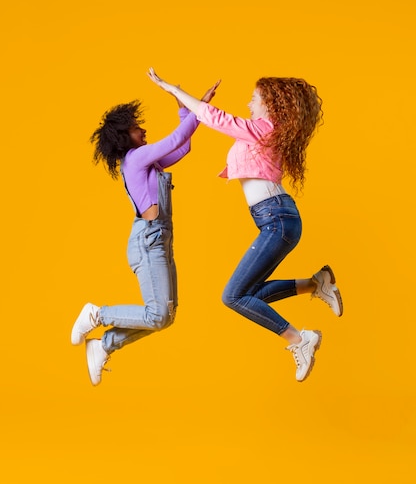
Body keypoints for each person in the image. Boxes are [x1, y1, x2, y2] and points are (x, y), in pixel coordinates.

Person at [148, 68, 343, 382]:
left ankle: (299, 339)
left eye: (254, 99)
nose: (250, 104)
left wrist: (173, 88)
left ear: (269, 102)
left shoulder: (264, 128)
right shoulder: (268, 130)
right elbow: (205, 120)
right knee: (248, 293)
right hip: (276, 218)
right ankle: (315, 284)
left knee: (233, 296)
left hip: (276, 219)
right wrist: (182, 103)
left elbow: (215, 117)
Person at [71, 80, 220, 386]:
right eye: (138, 128)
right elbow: (176, 138)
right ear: (125, 137)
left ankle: (103, 345)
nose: (143, 131)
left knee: (166, 315)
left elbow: (184, 144)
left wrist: (185, 110)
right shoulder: (136, 158)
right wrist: (195, 105)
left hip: (160, 240)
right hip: (149, 240)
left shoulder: (147, 162)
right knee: (158, 315)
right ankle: (98, 314)